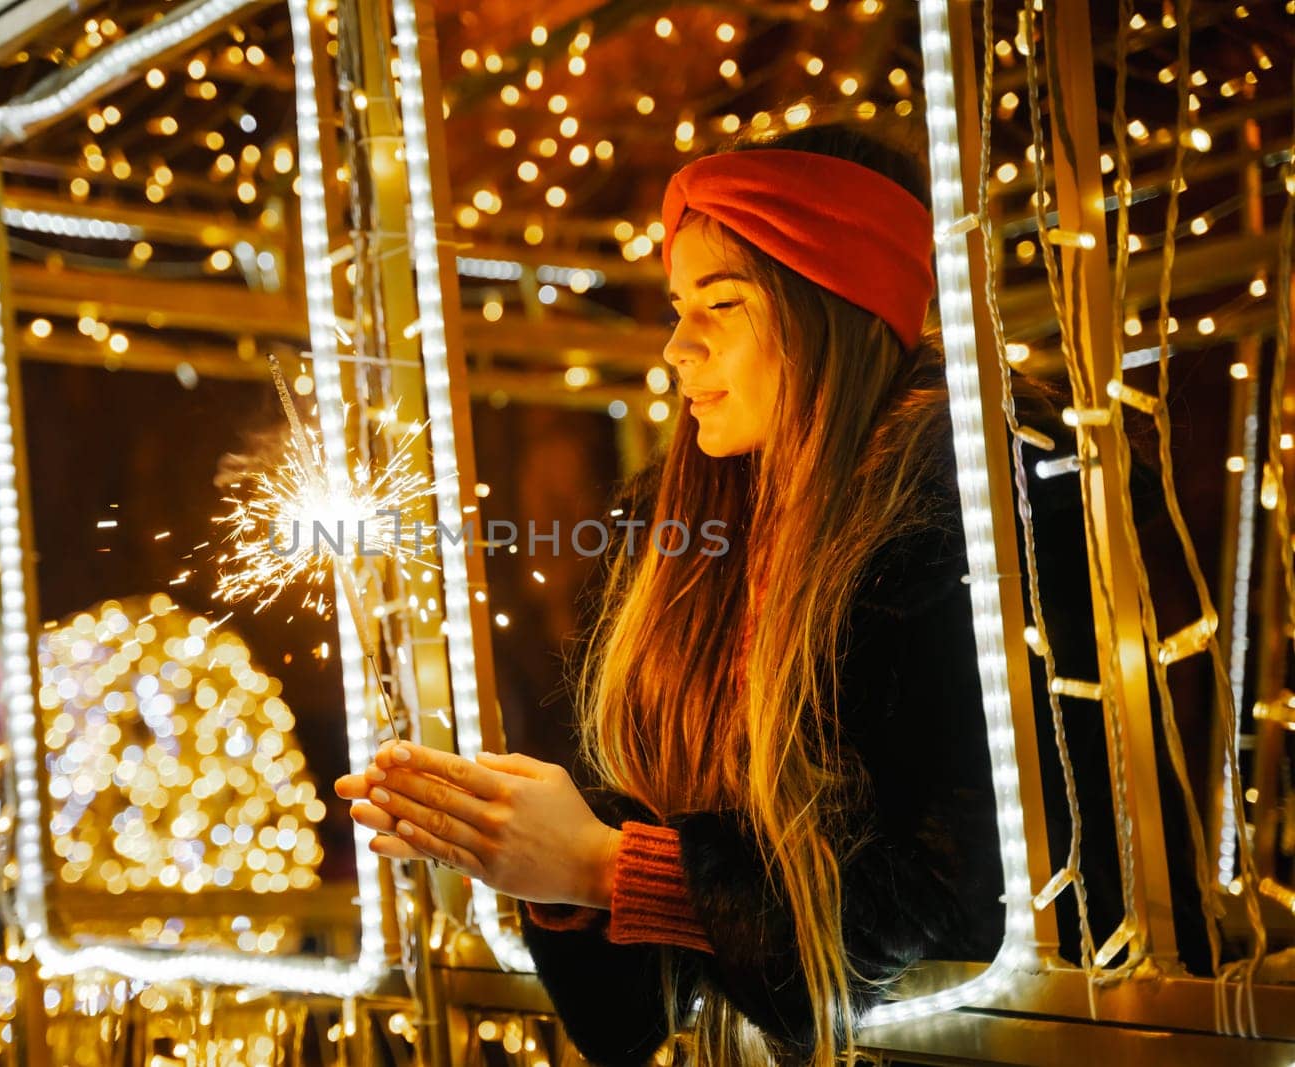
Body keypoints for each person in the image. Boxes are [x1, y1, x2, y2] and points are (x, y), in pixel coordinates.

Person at [333, 124, 1200, 1065]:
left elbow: (954, 910)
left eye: (723, 303)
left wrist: (604, 862)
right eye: (676, 305)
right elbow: (642, 1012)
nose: (675, 347)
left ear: (832, 303)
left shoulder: (978, 529)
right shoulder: (680, 554)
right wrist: (547, 864)